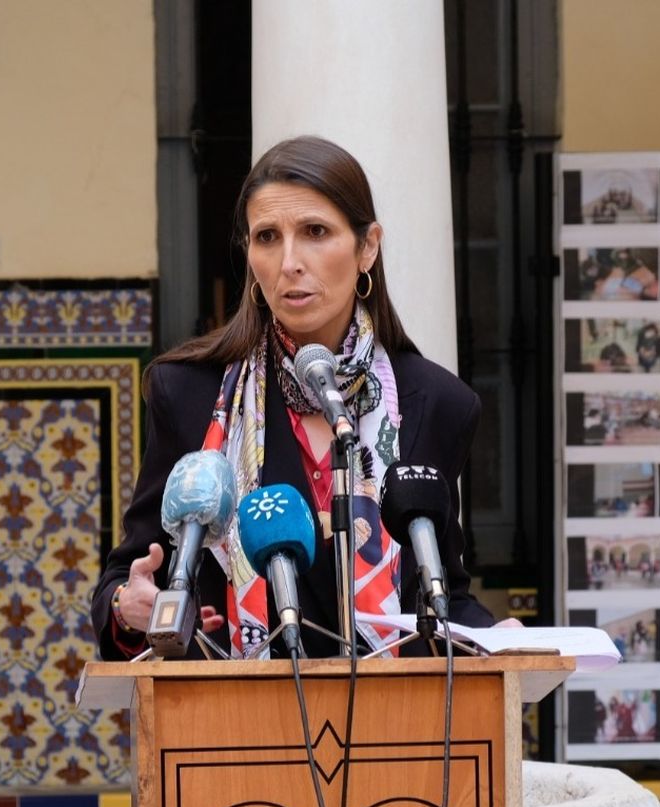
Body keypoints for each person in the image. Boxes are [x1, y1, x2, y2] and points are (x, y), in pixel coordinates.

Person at [90, 136, 501, 662]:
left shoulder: (438, 403)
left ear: (367, 247)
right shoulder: (191, 394)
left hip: (390, 711)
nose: (289, 262)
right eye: (267, 237)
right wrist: (128, 605)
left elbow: (440, 593)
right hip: (227, 707)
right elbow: (125, 583)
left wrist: (499, 640)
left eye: (315, 232)